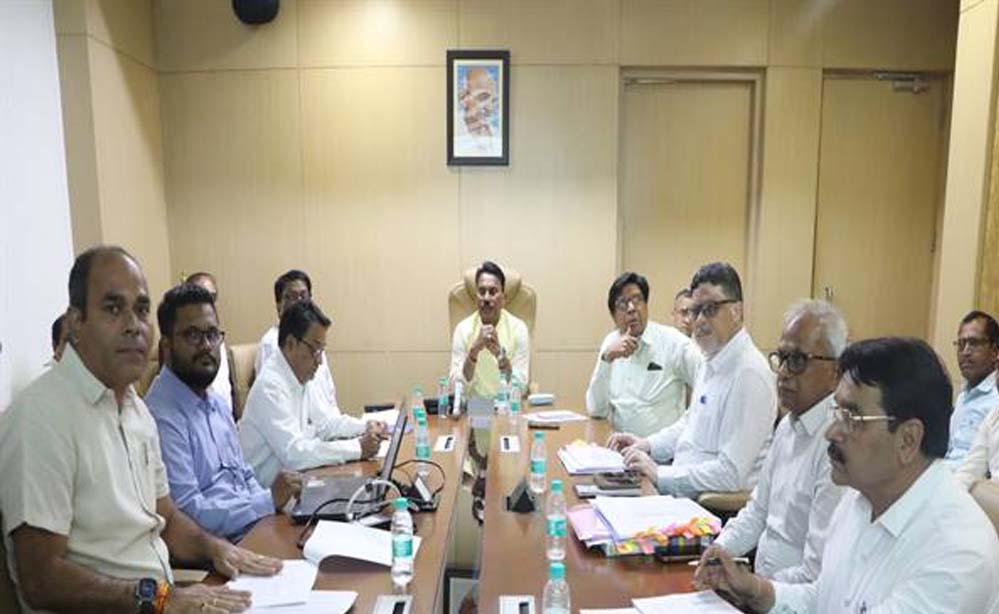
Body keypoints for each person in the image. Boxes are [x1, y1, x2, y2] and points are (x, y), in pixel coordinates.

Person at [0, 246, 280, 614]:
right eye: (113, 308)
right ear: (76, 323)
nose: (134, 325)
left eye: (142, 309)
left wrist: (216, 548)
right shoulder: (41, 415)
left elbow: (169, 519)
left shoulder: (136, 411)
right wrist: (161, 598)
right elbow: (42, 579)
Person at [697, 337, 999, 613]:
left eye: (852, 417)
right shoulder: (860, 498)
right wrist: (757, 591)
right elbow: (827, 599)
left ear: (908, 440)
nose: (831, 432)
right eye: (836, 413)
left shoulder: (956, 554)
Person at [694, 300, 845, 583]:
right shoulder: (787, 426)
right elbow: (757, 511)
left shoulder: (838, 443)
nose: (783, 372)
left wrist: (753, 591)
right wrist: (718, 552)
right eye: (781, 358)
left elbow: (816, 574)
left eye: (798, 361)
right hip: (761, 586)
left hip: (790, 596)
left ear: (834, 372)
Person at [146, 284, 303, 542]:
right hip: (216, 550)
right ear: (167, 345)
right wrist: (267, 502)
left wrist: (273, 506)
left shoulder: (217, 403)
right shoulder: (160, 416)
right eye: (193, 335)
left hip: (253, 530)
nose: (207, 346)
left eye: (212, 334)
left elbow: (245, 475)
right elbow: (187, 513)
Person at [607, 262, 776, 498]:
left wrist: (660, 474)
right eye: (695, 311)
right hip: (678, 490)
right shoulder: (712, 359)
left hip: (709, 508)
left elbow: (730, 473)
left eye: (710, 309)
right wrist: (646, 445)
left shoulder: (749, 374)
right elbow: (689, 425)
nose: (699, 320)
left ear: (737, 311)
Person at [240, 300, 384, 488]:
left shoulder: (299, 375)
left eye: (322, 350)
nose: (320, 361)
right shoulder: (270, 386)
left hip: (299, 482)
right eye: (315, 349)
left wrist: (365, 426)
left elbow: (325, 424)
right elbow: (295, 454)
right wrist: (357, 448)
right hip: (267, 495)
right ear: (291, 343)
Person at [585, 272, 701, 436]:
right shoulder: (610, 343)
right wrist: (606, 358)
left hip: (661, 449)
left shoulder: (673, 342)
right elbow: (596, 410)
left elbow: (708, 380)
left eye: (637, 300)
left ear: (646, 305)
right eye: (623, 304)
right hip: (619, 446)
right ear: (614, 316)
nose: (631, 308)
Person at [255, 269, 342, 411]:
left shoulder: (314, 341)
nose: (299, 303)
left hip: (323, 420)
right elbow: (275, 399)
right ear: (278, 306)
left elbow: (329, 395)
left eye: (304, 296)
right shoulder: (271, 343)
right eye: (291, 297)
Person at [449, 261, 530, 399]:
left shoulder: (519, 328)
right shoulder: (462, 329)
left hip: (506, 406)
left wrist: (499, 354)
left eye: (492, 292)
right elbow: (454, 387)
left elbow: (521, 388)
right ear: (476, 298)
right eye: (482, 292)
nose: (486, 298)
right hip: (473, 407)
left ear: (503, 299)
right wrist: (473, 353)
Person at [944, 310, 998, 466]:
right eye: (961, 344)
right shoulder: (963, 397)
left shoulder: (996, 398)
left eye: (974, 343)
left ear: (995, 352)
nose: (965, 352)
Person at [185, 271, 236, 413]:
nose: (209, 304)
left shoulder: (218, 340)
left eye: (212, 298)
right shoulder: (180, 344)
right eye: (201, 297)